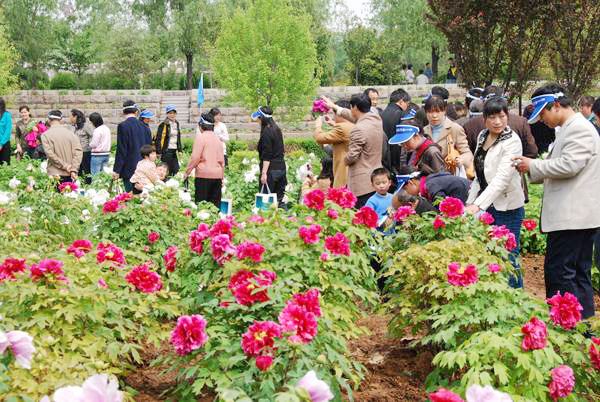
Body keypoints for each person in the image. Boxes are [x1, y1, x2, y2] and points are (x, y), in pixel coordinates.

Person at [514, 83, 600, 319]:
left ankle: (567, 324)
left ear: (557, 105)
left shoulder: (578, 129)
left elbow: (569, 165)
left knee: (561, 273)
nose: (542, 120)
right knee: (576, 273)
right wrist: (536, 167)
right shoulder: (571, 128)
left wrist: (533, 165)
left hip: (573, 217)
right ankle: (582, 326)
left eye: (543, 113)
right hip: (577, 217)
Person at [465, 97, 525, 288]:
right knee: (490, 254)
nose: (497, 121)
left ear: (507, 116)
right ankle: (498, 293)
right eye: (492, 117)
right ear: (484, 119)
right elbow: (479, 173)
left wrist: (477, 205)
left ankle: (515, 296)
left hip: (507, 206)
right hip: (488, 204)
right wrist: (470, 202)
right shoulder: (483, 136)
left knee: (508, 255)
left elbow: (501, 180)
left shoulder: (512, 141)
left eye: (501, 116)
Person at [342, 93, 384, 207]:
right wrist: (335, 107)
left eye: (351, 107)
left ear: (355, 107)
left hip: (362, 184)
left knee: (362, 213)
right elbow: (355, 116)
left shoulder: (358, 129)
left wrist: (344, 160)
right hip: (375, 177)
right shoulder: (376, 119)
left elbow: (352, 156)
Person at [423, 96, 473, 177]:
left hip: (450, 175)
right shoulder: (424, 131)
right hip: (429, 176)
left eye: (438, 111)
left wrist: (461, 159)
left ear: (444, 111)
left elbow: (467, 153)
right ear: (426, 112)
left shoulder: (455, 128)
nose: (434, 115)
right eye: (430, 112)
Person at [184, 113, 225, 207]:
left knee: (201, 205)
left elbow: (195, 157)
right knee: (215, 206)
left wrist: (187, 172)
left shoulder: (200, 138)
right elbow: (222, 161)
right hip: (217, 176)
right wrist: (222, 177)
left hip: (203, 175)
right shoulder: (218, 139)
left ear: (201, 126)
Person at [113, 100, 152, 192]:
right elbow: (149, 149)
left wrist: (117, 170)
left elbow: (122, 150)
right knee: (144, 195)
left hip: (129, 168)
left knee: (131, 195)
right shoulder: (145, 127)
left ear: (123, 112)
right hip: (144, 168)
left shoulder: (123, 126)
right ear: (136, 112)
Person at [253, 106, 287, 208]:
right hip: (281, 168)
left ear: (262, 118)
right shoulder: (277, 129)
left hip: (271, 171)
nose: (257, 121)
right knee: (279, 201)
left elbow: (267, 155)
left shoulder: (266, 133)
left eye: (258, 118)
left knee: (266, 202)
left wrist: (264, 173)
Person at [313, 100, 353, 188]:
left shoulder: (341, 127)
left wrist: (318, 126)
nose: (334, 117)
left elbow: (319, 138)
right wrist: (334, 124)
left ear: (339, 113)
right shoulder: (352, 124)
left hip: (344, 171)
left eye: (334, 114)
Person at [41, 110, 82, 186]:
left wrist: (65, 166)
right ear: (61, 119)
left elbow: (50, 155)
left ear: (49, 120)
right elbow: (78, 152)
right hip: (70, 173)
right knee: (69, 193)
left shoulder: (45, 135)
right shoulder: (71, 134)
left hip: (54, 173)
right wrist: (74, 169)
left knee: (54, 193)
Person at [381, 89, 412, 173]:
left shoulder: (382, 113)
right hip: (396, 157)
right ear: (401, 102)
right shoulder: (401, 114)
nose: (407, 107)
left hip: (384, 156)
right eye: (407, 104)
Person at [401, 170, 470, 204]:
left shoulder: (429, 185)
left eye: (406, 189)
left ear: (410, 182)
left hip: (469, 193)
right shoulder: (429, 181)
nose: (408, 193)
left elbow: (441, 203)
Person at [155, 104, 182, 176]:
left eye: (173, 113)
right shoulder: (163, 124)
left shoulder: (176, 123)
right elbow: (159, 139)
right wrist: (158, 152)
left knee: (176, 170)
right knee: (166, 171)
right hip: (166, 151)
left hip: (174, 151)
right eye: (170, 113)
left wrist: (180, 150)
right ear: (167, 114)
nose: (172, 115)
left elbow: (178, 137)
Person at [70, 109, 93, 183]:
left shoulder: (86, 126)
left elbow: (92, 135)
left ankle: (88, 184)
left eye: (71, 116)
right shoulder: (73, 127)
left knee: (86, 170)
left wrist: (89, 146)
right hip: (76, 153)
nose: (70, 118)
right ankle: (78, 184)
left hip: (85, 152)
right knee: (77, 170)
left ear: (75, 117)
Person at [0, 98, 12, 165]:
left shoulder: (7, 115)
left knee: (5, 165)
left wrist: (1, 144)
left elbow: (8, 131)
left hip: (5, 144)